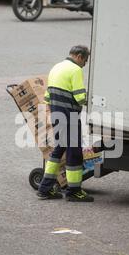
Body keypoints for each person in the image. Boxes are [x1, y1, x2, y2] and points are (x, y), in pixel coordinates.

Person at [37, 45, 94, 202]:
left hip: (57, 115)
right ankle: (74, 191)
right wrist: (93, 100)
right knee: (74, 153)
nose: (84, 64)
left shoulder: (56, 67)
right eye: (85, 60)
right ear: (79, 56)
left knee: (58, 150)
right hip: (69, 116)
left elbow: (47, 97)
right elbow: (80, 97)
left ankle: (44, 189)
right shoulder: (75, 70)